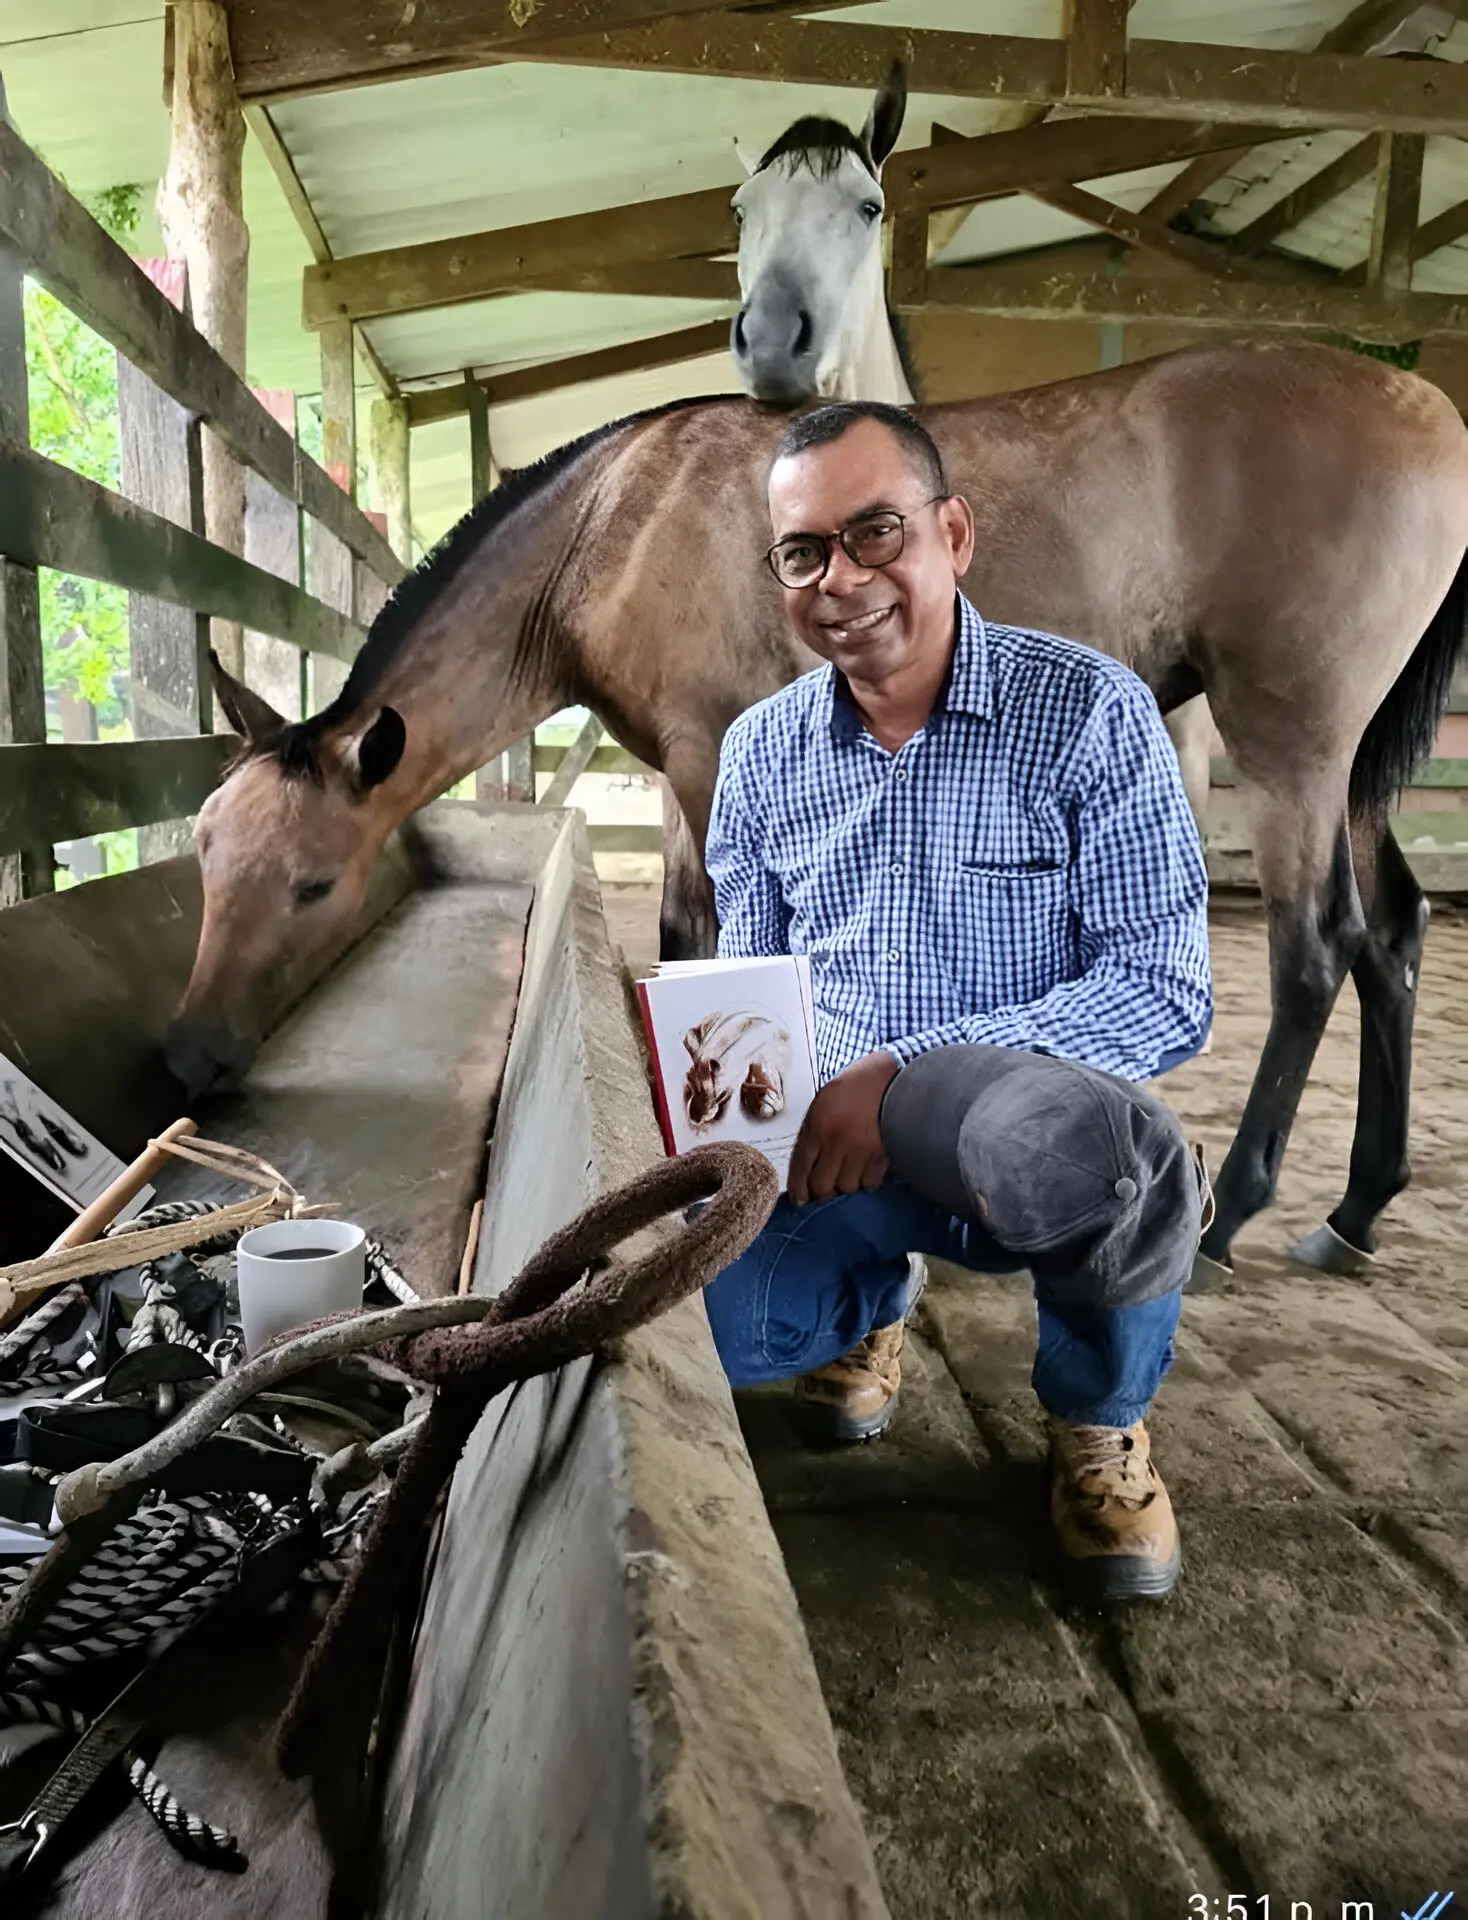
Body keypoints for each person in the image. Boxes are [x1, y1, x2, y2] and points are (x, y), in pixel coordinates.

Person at [703, 400, 1213, 1605]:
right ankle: (871, 1300)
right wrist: (730, 1106)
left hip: (1027, 1132)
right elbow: (752, 992)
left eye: (874, 533)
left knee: (1131, 1161)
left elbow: (1165, 983)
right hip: (832, 1143)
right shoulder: (760, 754)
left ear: (954, 534)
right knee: (708, 1331)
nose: (841, 579)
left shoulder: (1088, 713)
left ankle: (1099, 1417)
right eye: (803, 552)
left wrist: (907, 1075)